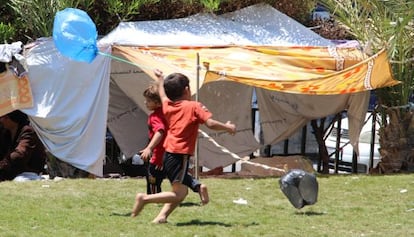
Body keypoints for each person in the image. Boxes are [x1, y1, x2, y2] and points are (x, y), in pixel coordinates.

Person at [131, 69, 236, 223]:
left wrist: (160, 79)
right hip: (180, 154)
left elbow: (162, 94)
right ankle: (145, 198)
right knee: (179, 194)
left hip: (168, 153)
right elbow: (210, 123)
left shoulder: (167, 106)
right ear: (187, 89)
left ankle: (161, 217)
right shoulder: (194, 106)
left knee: (181, 190)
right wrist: (228, 127)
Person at [0, 110, 47, 181]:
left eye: (2, 117)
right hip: (11, 170)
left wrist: (2, 165)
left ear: (9, 118)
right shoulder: (7, 133)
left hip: (28, 172)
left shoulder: (28, 131)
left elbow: (19, 155)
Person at [140, 84, 167, 194]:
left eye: (148, 101)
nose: (145, 103)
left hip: (158, 156)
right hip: (169, 153)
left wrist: (149, 148)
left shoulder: (155, 117)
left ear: (157, 102)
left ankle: (153, 197)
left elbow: (160, 131)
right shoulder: (167, 113)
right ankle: (195, 185)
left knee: (153, 179)